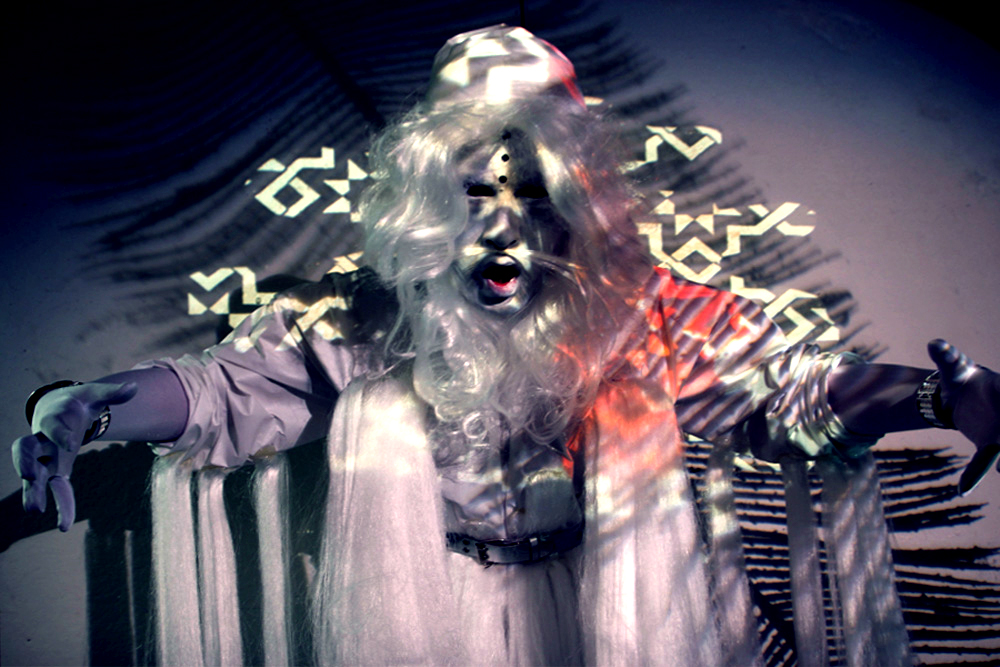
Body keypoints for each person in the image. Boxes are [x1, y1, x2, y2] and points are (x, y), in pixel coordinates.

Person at [12, 25, 1000, 666]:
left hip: (617, 621)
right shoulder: (367, 318)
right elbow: (219, 393)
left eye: (529, 193)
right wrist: (81, 409)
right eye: (471, 193)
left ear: (574, 201)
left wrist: (935, 398)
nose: (499, 227)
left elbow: (795, 390)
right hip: (426, 617)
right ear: (429, 202)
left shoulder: (651, 313)